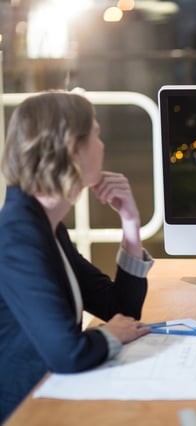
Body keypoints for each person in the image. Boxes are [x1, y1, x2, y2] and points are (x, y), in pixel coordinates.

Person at [0, 91, 154, 421]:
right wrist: (110, 333)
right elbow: (67, 354)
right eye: (96, 134)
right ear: (73, 149)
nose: (102, 145)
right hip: (25, 411)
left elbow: (121, 311)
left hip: (54, 393)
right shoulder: (17, 236)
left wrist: (130, 222)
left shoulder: (46, 227)